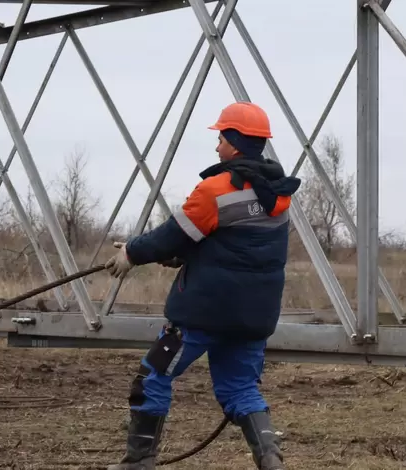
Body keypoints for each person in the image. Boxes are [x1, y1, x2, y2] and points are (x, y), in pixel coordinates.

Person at [104, 101, 300, 470]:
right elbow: (233, 246)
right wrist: (186, 255)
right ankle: (270, 458)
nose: (217, 146)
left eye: (221, 137)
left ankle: (139, 461)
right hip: (254, 317)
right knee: (240, 388)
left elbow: (171, 236)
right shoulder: (279, 197)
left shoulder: (216, 190)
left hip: (201, 315)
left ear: (236, 141)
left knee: (153, 375)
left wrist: (131, 252)